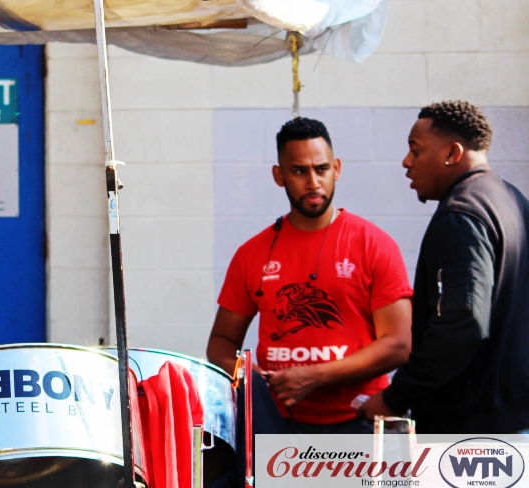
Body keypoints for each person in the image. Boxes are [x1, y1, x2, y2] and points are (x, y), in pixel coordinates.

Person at [206, 117, 413, 434]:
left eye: (322, 169)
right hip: (278, 424)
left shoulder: (374, 245)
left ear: (337, 169)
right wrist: (252, 378)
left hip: (360, 421)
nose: (313, 181)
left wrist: (315, 376)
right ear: (279, 175)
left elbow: (399, 344)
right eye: (299, 171)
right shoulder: (252, 254)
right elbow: (221, 345)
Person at [360, 101, 529, 433]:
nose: (406, 162)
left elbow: (461, 325)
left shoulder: (461, 215)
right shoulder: (514, 202)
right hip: (514, 421)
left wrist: (395, 397)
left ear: (452, 153)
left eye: (416, 150)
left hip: (472, 437)